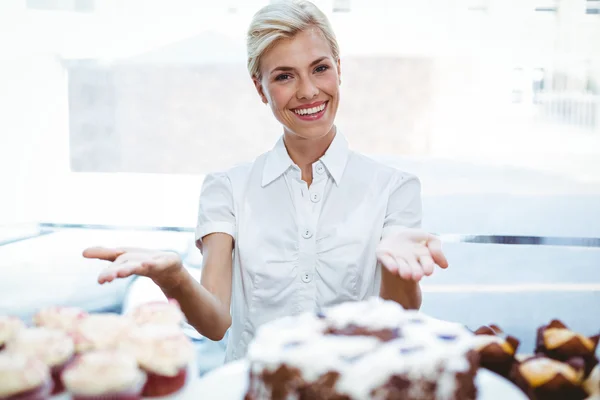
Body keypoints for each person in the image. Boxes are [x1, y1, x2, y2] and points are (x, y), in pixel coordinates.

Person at [82, 0, 449, 363]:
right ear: (260, 89)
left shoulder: (394, 188)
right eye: (284, 76)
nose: (307, 91)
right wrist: (174, 277)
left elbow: (398, 318)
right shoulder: (227, 188)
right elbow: (214, 323)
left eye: (319, 68)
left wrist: (401, 272)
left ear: (338, 69)